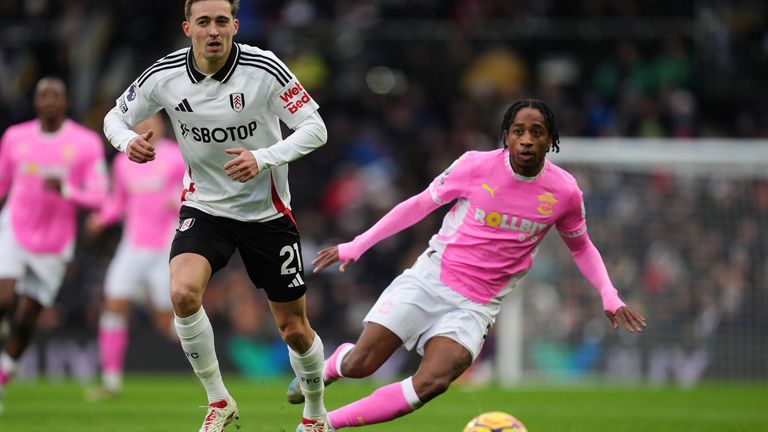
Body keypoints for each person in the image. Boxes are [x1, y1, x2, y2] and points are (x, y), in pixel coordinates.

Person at [286, 99, 647, 430]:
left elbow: (581, 246)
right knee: (360, 366)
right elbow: (419, 205)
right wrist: (358, 244)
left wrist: (609, 294)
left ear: (550, 139)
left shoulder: (564, 192)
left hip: (477, 306)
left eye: (536, 132)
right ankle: (334, 364)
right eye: (518, 131)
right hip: (431, 278)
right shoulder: (475, 165)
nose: (526, 139)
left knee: (431, 383)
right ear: (506, 136)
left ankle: (322, 425)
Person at [102, 1, 330, 431]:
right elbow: (115, 117)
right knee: (183, 293)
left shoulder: (265, 69)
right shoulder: (164, 75)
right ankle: (218, 400)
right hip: (205, 206)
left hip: (267, 213)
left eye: (221, 21)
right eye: (203, 22)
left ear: (235, 26)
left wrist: (262, 158)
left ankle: (316, 415)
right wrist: (126, 142)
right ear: (187, 27)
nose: (213, 30)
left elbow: (315, 128)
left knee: (294, 329)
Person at [0, 77, 108, 414]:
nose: (49, 101)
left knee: (27, 318)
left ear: (65, 102)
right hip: (14, 228)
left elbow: (99, 195)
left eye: (56, 95)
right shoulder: (14, 137)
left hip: (55, 243)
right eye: (43, 95)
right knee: (3, 294)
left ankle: (3, 377)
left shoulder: (85, 142)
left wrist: (67, 190)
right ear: (35, 102)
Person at [85, 113, 186, 400]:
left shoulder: (176, 156)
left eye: (150, 121)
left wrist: (176, 197)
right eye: (140, 123)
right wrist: (100, 219)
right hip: (131, 247)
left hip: (164, 248)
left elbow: (194, 193)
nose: (145, 127)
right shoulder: (123, 161)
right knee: (114, 303)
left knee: (167, 321)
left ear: (161, 125)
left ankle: (205, 362)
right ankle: (111, 382)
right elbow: (118, 201)